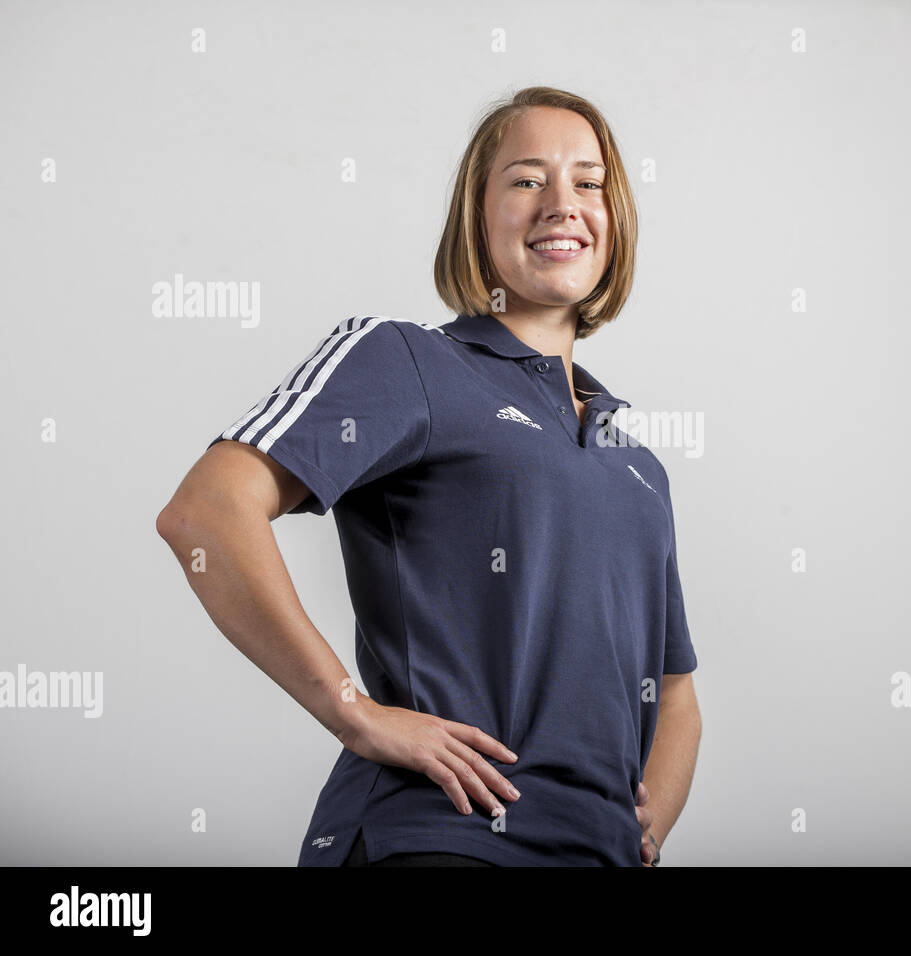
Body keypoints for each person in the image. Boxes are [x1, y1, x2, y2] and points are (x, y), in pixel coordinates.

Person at [155, 86, 702, 867]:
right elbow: (206, 513)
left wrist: (643, 823)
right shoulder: (407, 360)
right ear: (476, 220)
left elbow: (675, 688)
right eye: (525, 179)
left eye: (588, 182)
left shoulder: (635, 463)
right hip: (442, 837)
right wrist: (356, 714)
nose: (562, 203)